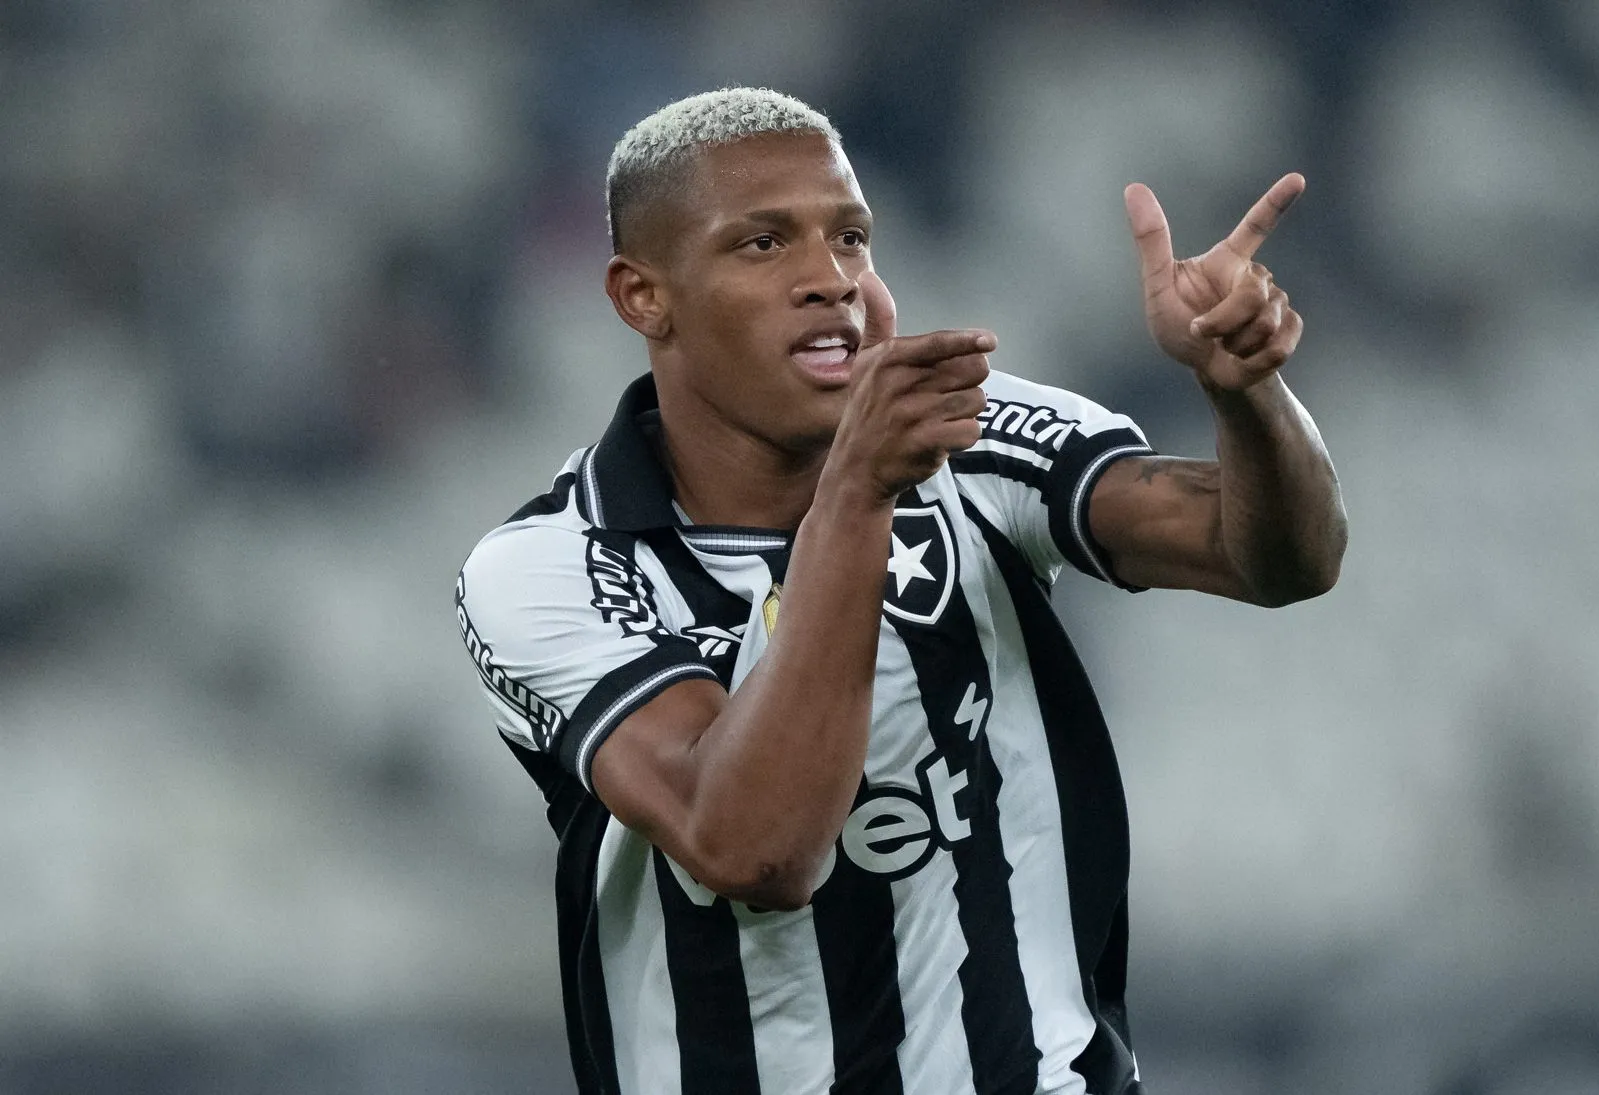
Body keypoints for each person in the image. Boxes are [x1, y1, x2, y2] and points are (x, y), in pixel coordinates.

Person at [455, 87, 1346, 1095]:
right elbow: (756, 851)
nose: (829, 279)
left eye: (851, 238)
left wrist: (1247, 395)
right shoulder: (550, 569)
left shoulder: (977, 439)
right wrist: (858, 491)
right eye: (763, 244)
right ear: (643, 297)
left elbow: (1281, 560)